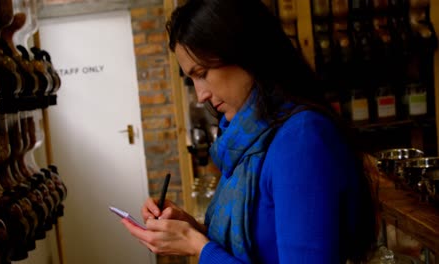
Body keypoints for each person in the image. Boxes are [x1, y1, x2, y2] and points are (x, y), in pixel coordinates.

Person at [121, 0, 379, 263]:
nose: (201, 95)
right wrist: (190, 231)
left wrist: (199, 248)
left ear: (243, 51)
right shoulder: (248, 139)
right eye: (192, 80)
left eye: (202, 73)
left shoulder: (300, 140)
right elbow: (263, 248)